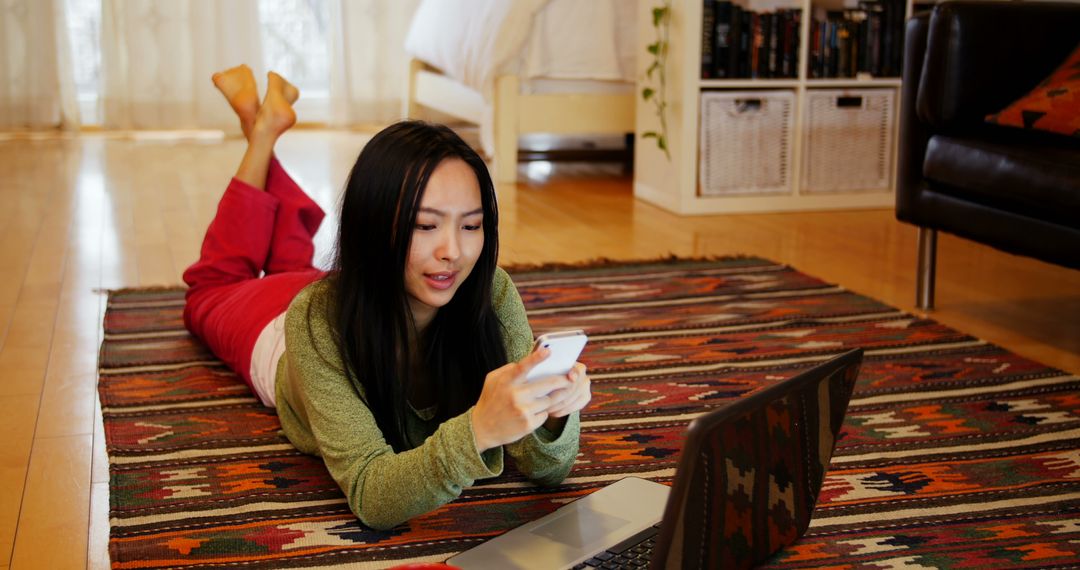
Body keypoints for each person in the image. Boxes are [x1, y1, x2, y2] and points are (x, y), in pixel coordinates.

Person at [182, 65, 591, 531]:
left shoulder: (488, 290)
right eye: (425, 225)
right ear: (373, 226)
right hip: (276, 329)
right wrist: (478, 430)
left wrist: (559, 412)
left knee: (291, 264)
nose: (453, 252)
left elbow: (550, 468)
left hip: (357, 285)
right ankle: (260, 136)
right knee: (213, 285)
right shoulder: (315, 321)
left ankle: (264, 124)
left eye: (471, 225)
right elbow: (373, 497)